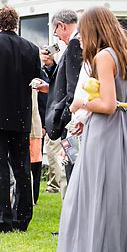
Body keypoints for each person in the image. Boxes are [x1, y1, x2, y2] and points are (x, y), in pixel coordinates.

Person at [42, 6, 127, 252]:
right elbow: (123, 103)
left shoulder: (103, 57)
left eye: (83, 31)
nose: (80, 38)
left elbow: (107, 104)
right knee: (109, 202)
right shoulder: (125, 54)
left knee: (82, 201)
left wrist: (79, 105)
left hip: (104, 134)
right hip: (119, 132)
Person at [0, 6, 41, 233]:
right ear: (15, 22)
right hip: (21, 114)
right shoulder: (31, 48)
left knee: (0, 167)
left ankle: (2, 221)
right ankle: (22, 219)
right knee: (22, 167)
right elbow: (36, 78)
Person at [40, 10, 83, 181]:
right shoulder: (75, 43)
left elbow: (73, 88)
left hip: (71, 122)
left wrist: (66, 118)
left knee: (73, 169)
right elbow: (65, 80)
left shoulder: (74, 44)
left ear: (61, 25)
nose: (56, 37)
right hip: (72, 117)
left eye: (55, 31)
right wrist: (50, 66)